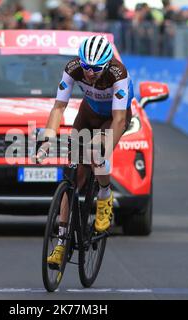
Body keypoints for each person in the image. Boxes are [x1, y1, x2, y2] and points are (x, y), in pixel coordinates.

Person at [35, 35, 134, 266]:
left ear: (107, 64)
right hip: (87, 115)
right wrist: (47, 139)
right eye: (86, 66)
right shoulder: (73, 68)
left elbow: (119, 120)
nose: (89, 73)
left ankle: (104, 196)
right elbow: (59, 107)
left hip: (113, 118)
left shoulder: (118, 73)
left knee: (95, 152)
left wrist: (103, 152)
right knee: (73, 178)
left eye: (96, 68)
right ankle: (61, 243)